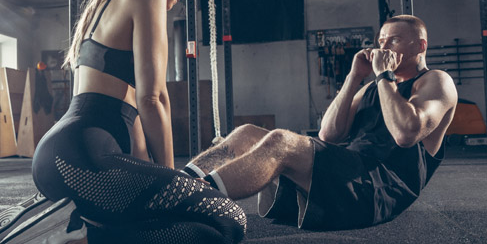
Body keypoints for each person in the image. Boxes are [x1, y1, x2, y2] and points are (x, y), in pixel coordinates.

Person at [0, 0, 246, 244]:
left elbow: (126, 115)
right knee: (229, 221)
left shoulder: (104, 3)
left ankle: (60, 219)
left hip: (60, 158)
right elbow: (153, 98)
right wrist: (171, 179)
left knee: (158, 223)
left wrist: (156, 180)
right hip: (85, 158)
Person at [180, 15, 457, 230]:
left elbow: (406, 133)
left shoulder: (437, 81)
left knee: (280, 142)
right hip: (347, 173)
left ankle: (187, 201)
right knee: (247, 133)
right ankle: (178, 183)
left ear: (420, 46)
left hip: (379, 188)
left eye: (393, 41)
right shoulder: (374, 88)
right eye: (381, 40)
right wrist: (354, 77)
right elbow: (329, 135)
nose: (382, 47)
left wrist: (384, 75)